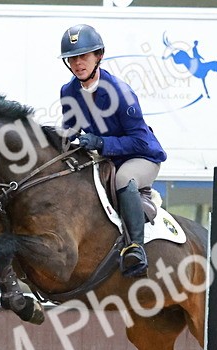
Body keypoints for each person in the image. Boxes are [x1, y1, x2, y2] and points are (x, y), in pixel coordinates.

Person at [58, 23, 166, 278]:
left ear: (99, 56)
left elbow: (139, 141)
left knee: (122, 179)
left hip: (140, 157)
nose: (77, 63)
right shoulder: (68, 91)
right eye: (72, 58)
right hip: (106, 157)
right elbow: (70, 129)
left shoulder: (121, 92)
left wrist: (101, 143)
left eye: (83, 56)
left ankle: (135, 247)